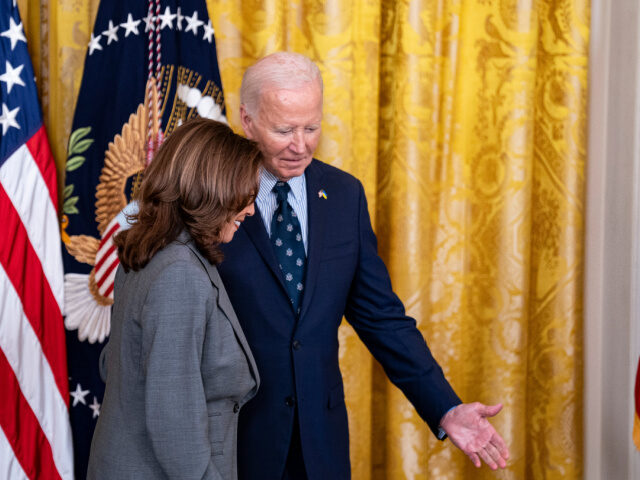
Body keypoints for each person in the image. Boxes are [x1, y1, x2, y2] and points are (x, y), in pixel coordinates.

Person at [217, 52, 510, 480]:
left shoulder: (343, 195)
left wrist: (445, 407)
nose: (301, 145)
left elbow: (382, 319)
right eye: (284, 130)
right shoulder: (210, 196)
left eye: (311, 127)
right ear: (247, 120)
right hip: (235, 438)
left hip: (320, 443)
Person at [87, 119, 262, 480]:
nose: (251, 210)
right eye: (246, 196)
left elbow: (117, 363)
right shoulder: (178, 272)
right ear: (213, 189)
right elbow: (173, 418)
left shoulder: (152, 248)